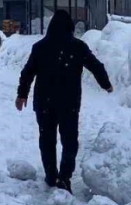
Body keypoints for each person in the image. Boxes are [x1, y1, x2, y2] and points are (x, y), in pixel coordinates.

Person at [16, 10, 113, 193]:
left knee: (47, 139)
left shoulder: (40, 47)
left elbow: (27, 73)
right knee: (69, 141)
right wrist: (106, 85)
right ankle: (65, 177)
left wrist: (22, 95)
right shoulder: (77, 46)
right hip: (69, 103)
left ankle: (51, 176)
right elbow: (96, 66)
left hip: (44, 102)